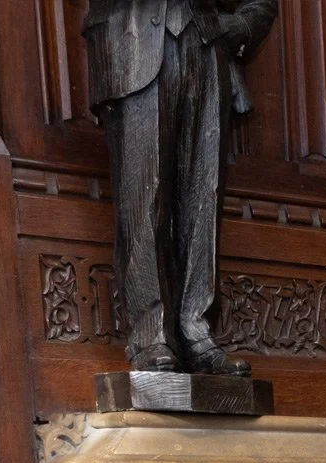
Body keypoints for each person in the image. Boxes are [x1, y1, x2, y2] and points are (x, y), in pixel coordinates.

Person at [83, 0, 277, 376]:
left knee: (204, 198)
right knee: (144, 195)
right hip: (133, 44)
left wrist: (241, 26)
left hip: (205, 47)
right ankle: (150, 333)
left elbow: (261, 4)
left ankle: (196, 328)